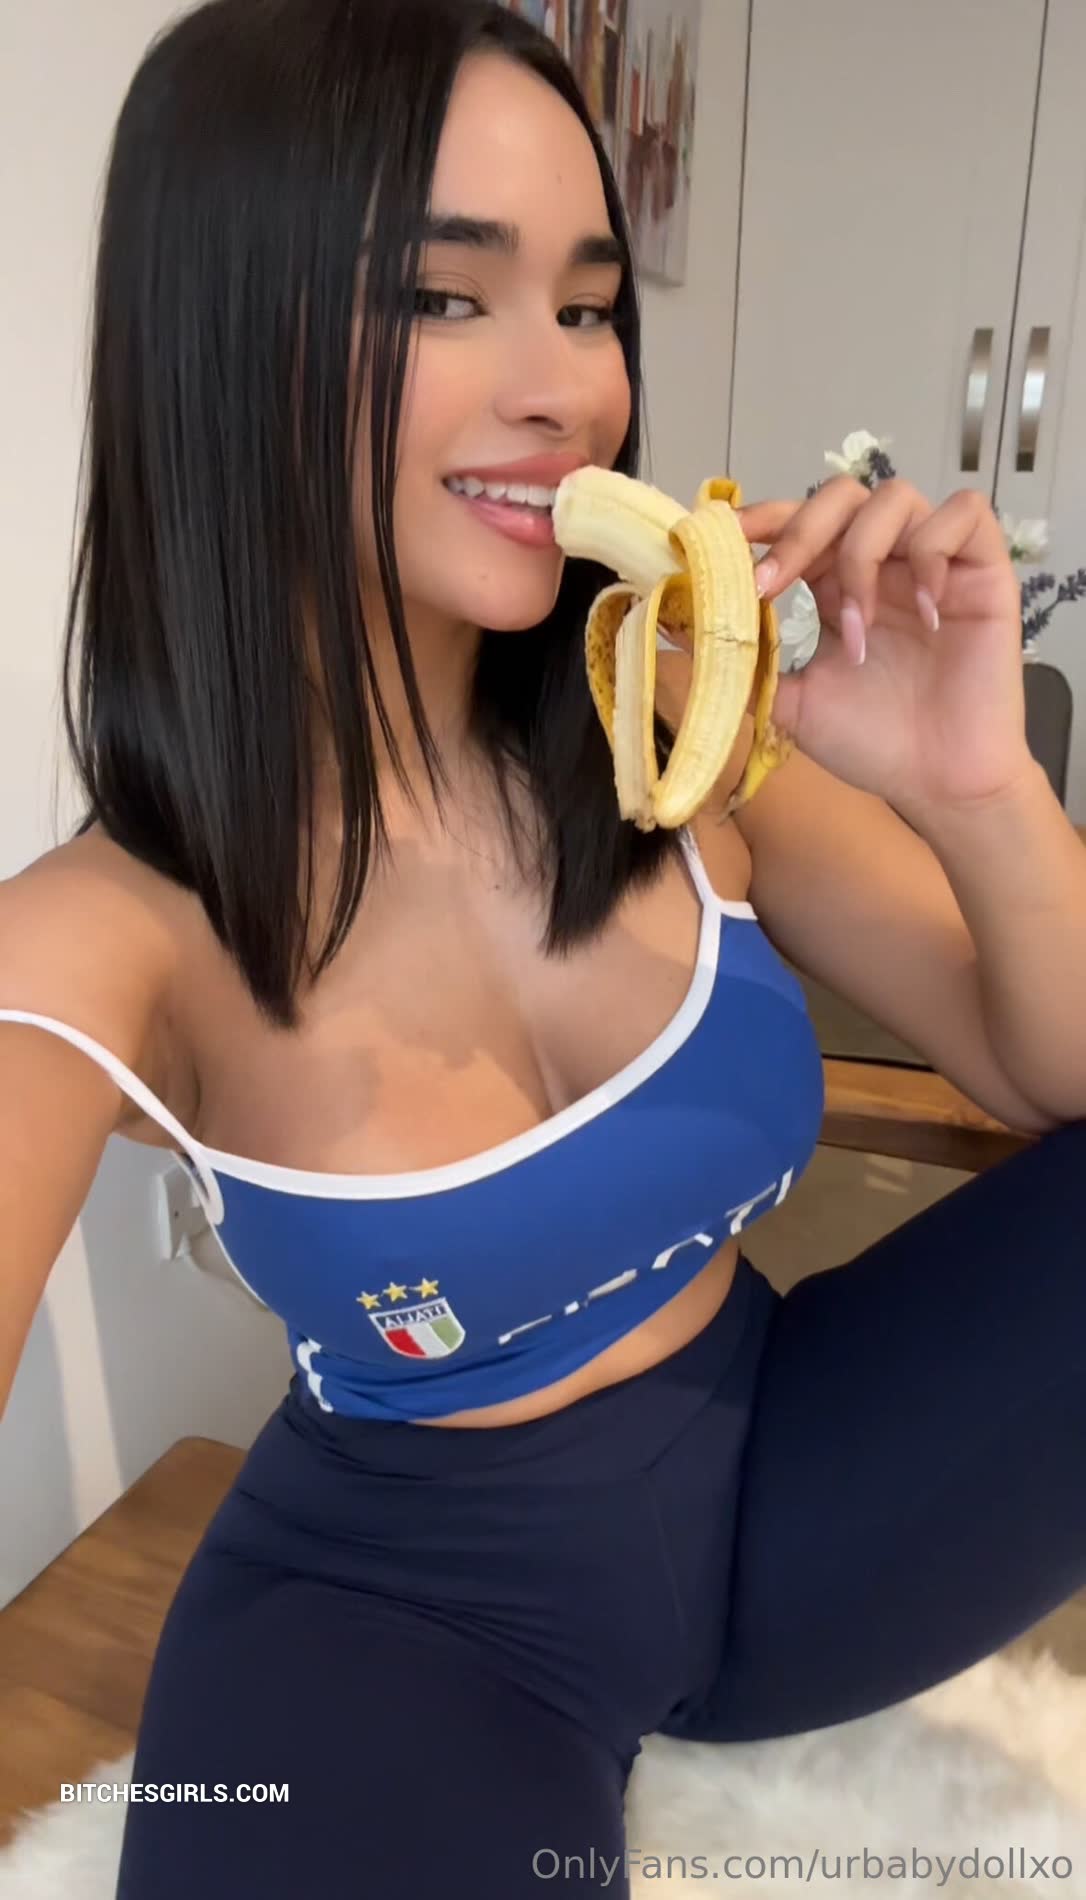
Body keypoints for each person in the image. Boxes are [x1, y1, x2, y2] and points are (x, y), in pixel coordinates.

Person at [2, 2, 1084, 1894]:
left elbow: (1042, 1070)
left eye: (586, 306)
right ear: (225, 333)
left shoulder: (669, 726)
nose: (565, 388)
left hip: (788, 1485)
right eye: (446, 298)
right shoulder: (107, 933)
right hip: (410, 1621)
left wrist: (975, 784)